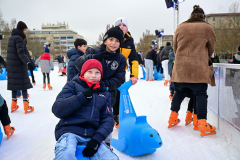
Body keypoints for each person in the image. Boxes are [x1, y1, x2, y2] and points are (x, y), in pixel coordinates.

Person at [52, 59, 118, 160]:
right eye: (90, 72)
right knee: (67, 154)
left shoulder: (104, 94)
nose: (93, 76)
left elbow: (108, 119)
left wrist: (97, 139)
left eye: (97, 73)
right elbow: (58, 109)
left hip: (93, 135)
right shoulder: (72, 86)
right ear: (83, 74)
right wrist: (81, 98)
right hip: (70, 132)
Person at [168, 5, 216, 136]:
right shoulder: (207, 28)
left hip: (180, 68)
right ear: (203, 17)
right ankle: (201, 123)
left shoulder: (181, 27)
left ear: (191, 16)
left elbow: (175, 47)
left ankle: (172, 118)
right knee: (200, 95)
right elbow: (211, 49)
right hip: (198, 69)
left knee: (179, 92)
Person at [75, 26, 127, 130]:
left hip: (107, 94)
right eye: (111, 39)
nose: (113, 43)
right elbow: (78, 64)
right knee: (88, 117)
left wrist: (104, 84)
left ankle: (103, 142)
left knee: (104, 120)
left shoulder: (121, 58)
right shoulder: (94, 51)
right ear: (105, 41)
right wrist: (92, 58)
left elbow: (120, 79)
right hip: (89, 91)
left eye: (117, 41)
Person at [113, 17, 139, 128]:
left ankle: (116, 116)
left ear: (127, 28)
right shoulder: (111, 38)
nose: (121, 27)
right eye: (119, 25)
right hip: (109, 71)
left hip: (121, 73)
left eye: (124, 25)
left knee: (119, 94)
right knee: (108, 94)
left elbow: (133, 58)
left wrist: (134, 75)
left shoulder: (129, 40)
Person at [6, 21, 34, 114]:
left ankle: (13, 105)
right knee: (24, 84)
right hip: (19, 65)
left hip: (11, 66)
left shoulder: (11, 38)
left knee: (14, 85)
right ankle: (26, 106)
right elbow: (20, 52)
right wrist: (28, 62)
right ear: (22, 29)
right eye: (25, 30)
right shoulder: (19, 38)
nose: (25, 32)